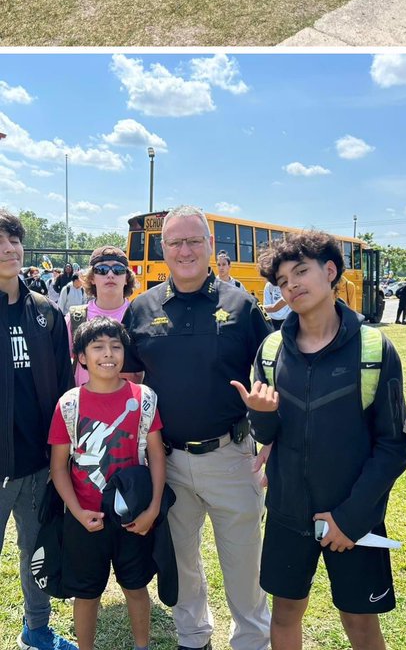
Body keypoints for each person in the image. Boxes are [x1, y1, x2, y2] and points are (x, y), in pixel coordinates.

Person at [238, 232, 406, 650]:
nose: (291, 285)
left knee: (360, 623)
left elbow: (394, 447)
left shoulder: (373, 349)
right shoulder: (271, 350)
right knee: (284, 616)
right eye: (282, 280)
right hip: (286, 513)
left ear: (330, 272)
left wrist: (350, 519)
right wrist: (260, 418)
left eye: (301, 272)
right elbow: (269, 437)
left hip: (355, 516)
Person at [122, 204, 273, 650]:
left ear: (210, 246)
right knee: (181, 561)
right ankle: (193, 637)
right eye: (175, 242)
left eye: (193, 241)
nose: (184, 250)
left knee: (244, 564)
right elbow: (131, 383)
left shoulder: (242, 306)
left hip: (230, 455)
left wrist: (272, 436)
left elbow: (269, 375)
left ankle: (251, 639)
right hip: (166, 460)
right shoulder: (142, 308)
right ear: (163, 249)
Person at [48, 317, 166, 650]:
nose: (108, 354)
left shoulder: (143, 399)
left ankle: (141, 645)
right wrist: (77, 512)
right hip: (85, 518)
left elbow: (157, 456)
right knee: (86, 593)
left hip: (133, 516)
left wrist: (153, 508)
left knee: (136, 586)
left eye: (115, 346)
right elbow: (59, 467)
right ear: (82, 357)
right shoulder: (69, 405)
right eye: (97, 347)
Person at [0, 209, 78, 650]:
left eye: (13, 240)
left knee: (37, 553)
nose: (8, 249)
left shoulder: (45, 312)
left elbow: (66, 389)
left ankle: (37, 630)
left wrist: (60, 456)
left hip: (37, 466)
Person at [65, 245, 137, 387]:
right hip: (85, 405)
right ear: (91, 278)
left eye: (118, 270)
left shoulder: (140, 315)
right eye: (102, 270)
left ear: (127, 278)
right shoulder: (75, 318)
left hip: (132, 405)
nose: (110, 275)